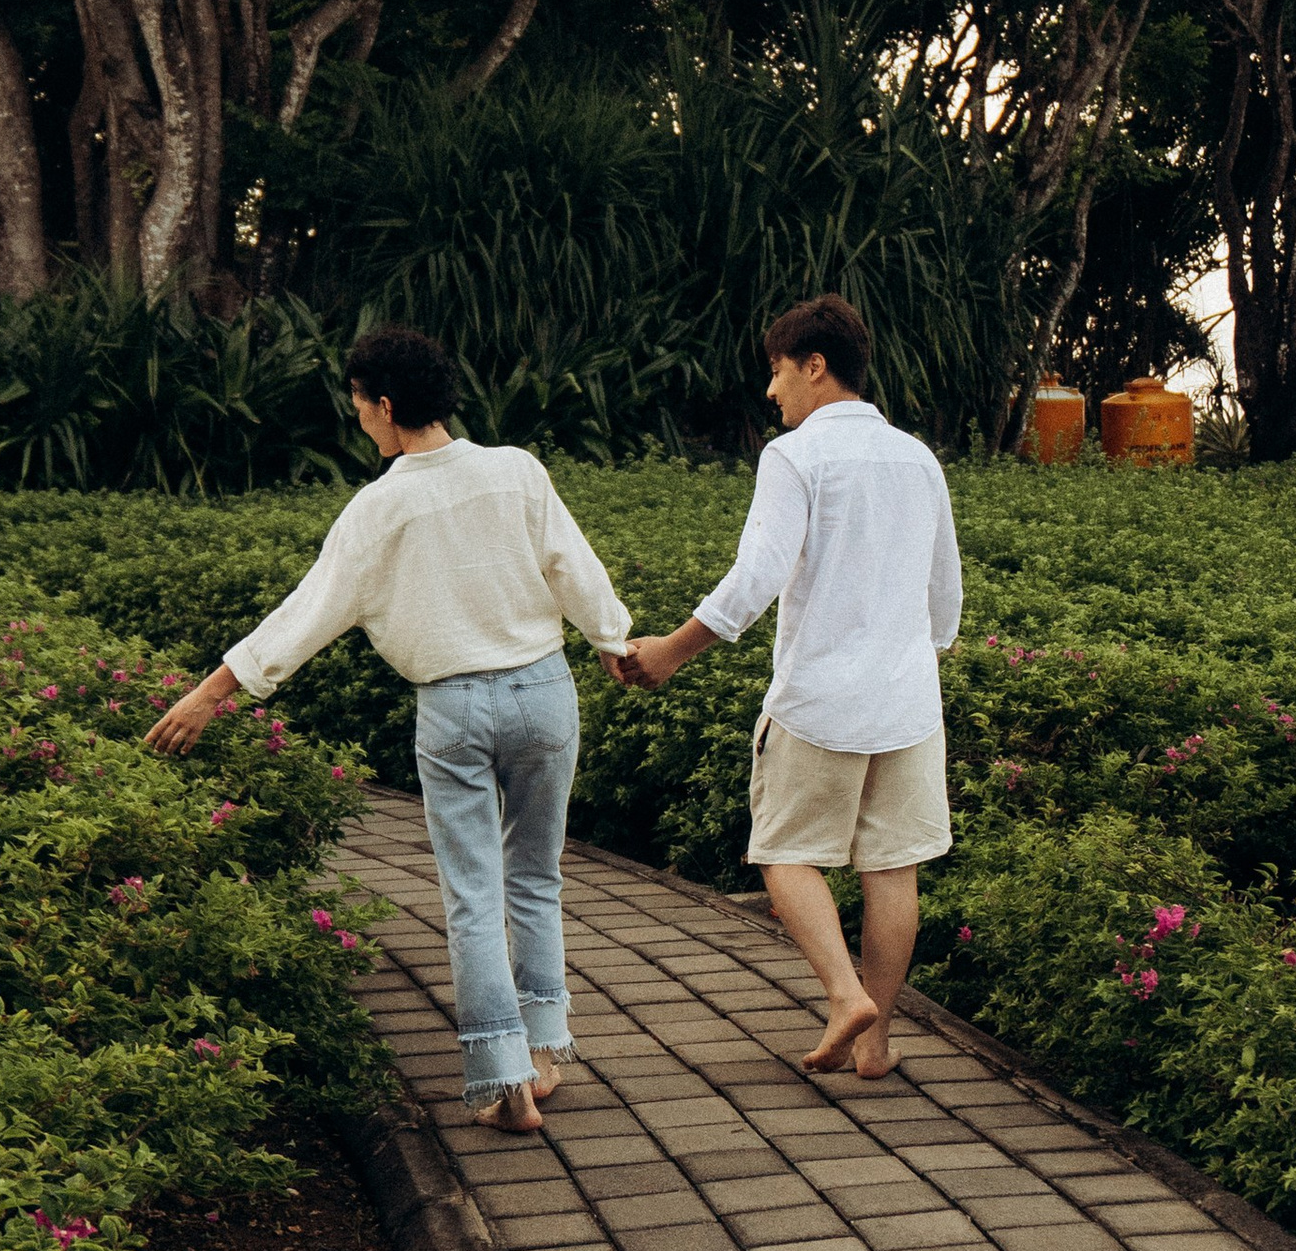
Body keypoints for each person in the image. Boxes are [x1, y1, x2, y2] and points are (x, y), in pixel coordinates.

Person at [145, 325, 631, 1136]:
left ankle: (503, 1082)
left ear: (388, 405)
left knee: (473, 895)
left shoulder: (378, 508)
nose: (359, 421)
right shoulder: (516, 471)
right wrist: (615, 641)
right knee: (536, 875)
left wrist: (210, 693)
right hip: (546, 692)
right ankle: (546, 1051)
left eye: (361, 407)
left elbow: (304, 616)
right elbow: (573, 569)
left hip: (454, 710)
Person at [620, 293, 960, 1078]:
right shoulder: (919, 458)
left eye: (776, 371)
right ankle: (875, 1045)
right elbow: (945, 596)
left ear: (815, 365)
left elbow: (759, 575)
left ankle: (846, 997)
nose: (771, 391)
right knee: (893, 869)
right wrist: (908, 656)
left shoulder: (797, 456)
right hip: (910, 702)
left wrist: (672, 650)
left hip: (818, 702)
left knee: (782, 851)